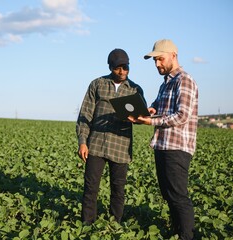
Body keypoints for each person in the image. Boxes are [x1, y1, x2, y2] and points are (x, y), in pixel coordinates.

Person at [128, 39, 198, 239]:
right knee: (168, 195)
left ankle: (187, 236)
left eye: (160, 59)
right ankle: (177, 231)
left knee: (178, 195)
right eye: (155, 60)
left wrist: (150, 122)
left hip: (177, 146)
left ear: (173, 56)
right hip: (162, 145)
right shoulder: (165, 84)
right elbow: (158, 107)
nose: (157, 64)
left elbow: (182, 116)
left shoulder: (183, 80)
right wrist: (147, 112)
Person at [76, 48, 145, 224]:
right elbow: (85, 114)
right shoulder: (97, 84)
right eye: (117, 68)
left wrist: (140, 118)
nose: (122, 72)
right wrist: (83, 142)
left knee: (118, 189)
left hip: (120, 147)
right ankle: (87, 225)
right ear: (110, 67)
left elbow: (142, 118)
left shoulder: (135, 89)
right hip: (95, 145)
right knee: (91, 188)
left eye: (125, 67)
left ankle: (114, 225)